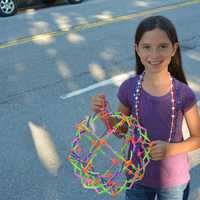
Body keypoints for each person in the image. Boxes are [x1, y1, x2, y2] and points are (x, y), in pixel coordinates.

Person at [91, 16, 200, 200]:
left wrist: (170, 150)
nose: (155, 54)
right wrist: (104, 115)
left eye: (163, 46)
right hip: (137, 177)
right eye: (147, 47)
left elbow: (198, 138)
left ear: (174, 49)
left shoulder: (183, 93)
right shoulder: (129, 88)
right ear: (137, 49)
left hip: (174, 181)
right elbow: (120, 131)